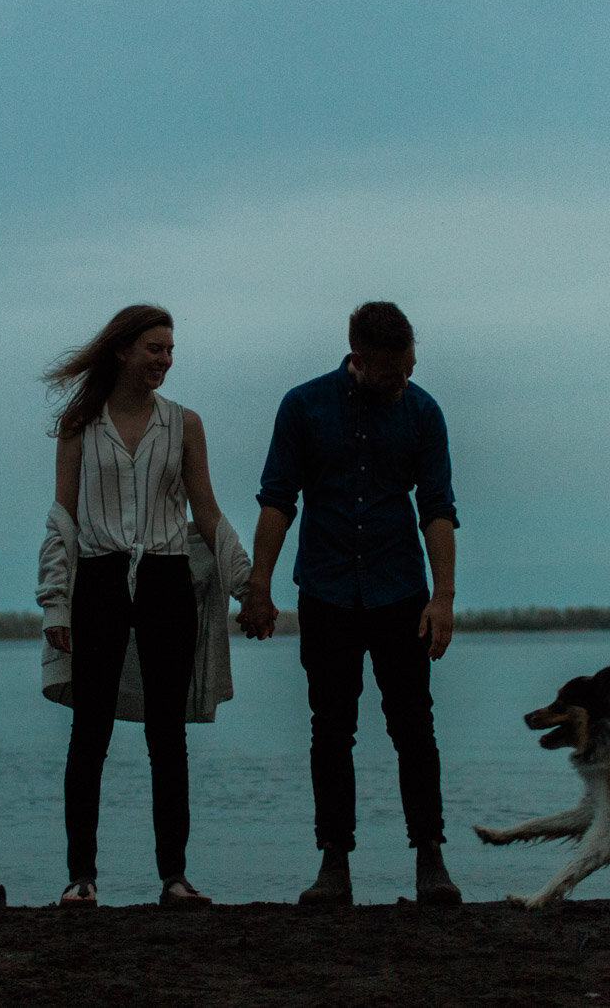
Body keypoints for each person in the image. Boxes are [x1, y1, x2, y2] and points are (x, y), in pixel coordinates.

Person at [238, 301, 462, 906]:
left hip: (401, 593)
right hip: (328, 590)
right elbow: (277, 500)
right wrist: (260, 586)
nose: (403, 383)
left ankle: (430, 861)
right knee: (330, 732)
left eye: (410, 369)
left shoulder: (423, 413)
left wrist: (442, 599)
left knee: (414, 727)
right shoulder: (303, 407)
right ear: (358, 361)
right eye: (392, 374)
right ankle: (333, 865)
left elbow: (437, 509)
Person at [36, 304, 250, 909]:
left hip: (166, 577)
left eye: (170, 350)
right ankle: (81, 877)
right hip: (99, 581)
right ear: (123, 351)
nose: (165, 360)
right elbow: (64, 518)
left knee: (167, 734)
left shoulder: (184, 424)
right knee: (90, 731)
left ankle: (174, 877)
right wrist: (56, 605)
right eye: (154, 348)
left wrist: (245, 584)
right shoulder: (81, 423)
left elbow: (204, 510)